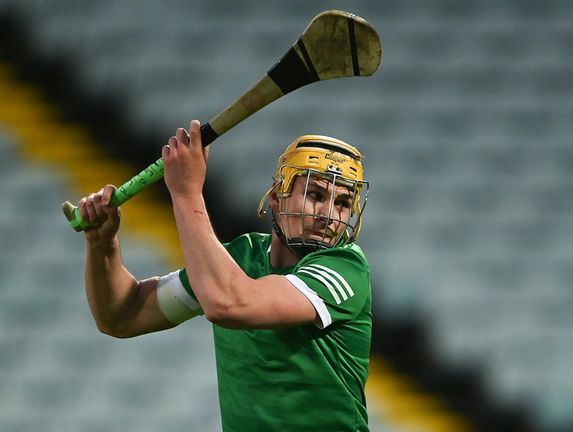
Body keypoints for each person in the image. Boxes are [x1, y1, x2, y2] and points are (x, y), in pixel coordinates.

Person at [78, 120, 372, 431]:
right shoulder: (239, 260)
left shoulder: (344, 267)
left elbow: (228, 303)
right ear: (276, 197)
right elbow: (122, 316)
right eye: (315, 194)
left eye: (342, 204)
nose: (328, 215)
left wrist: (187, 194)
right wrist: (102, 245)